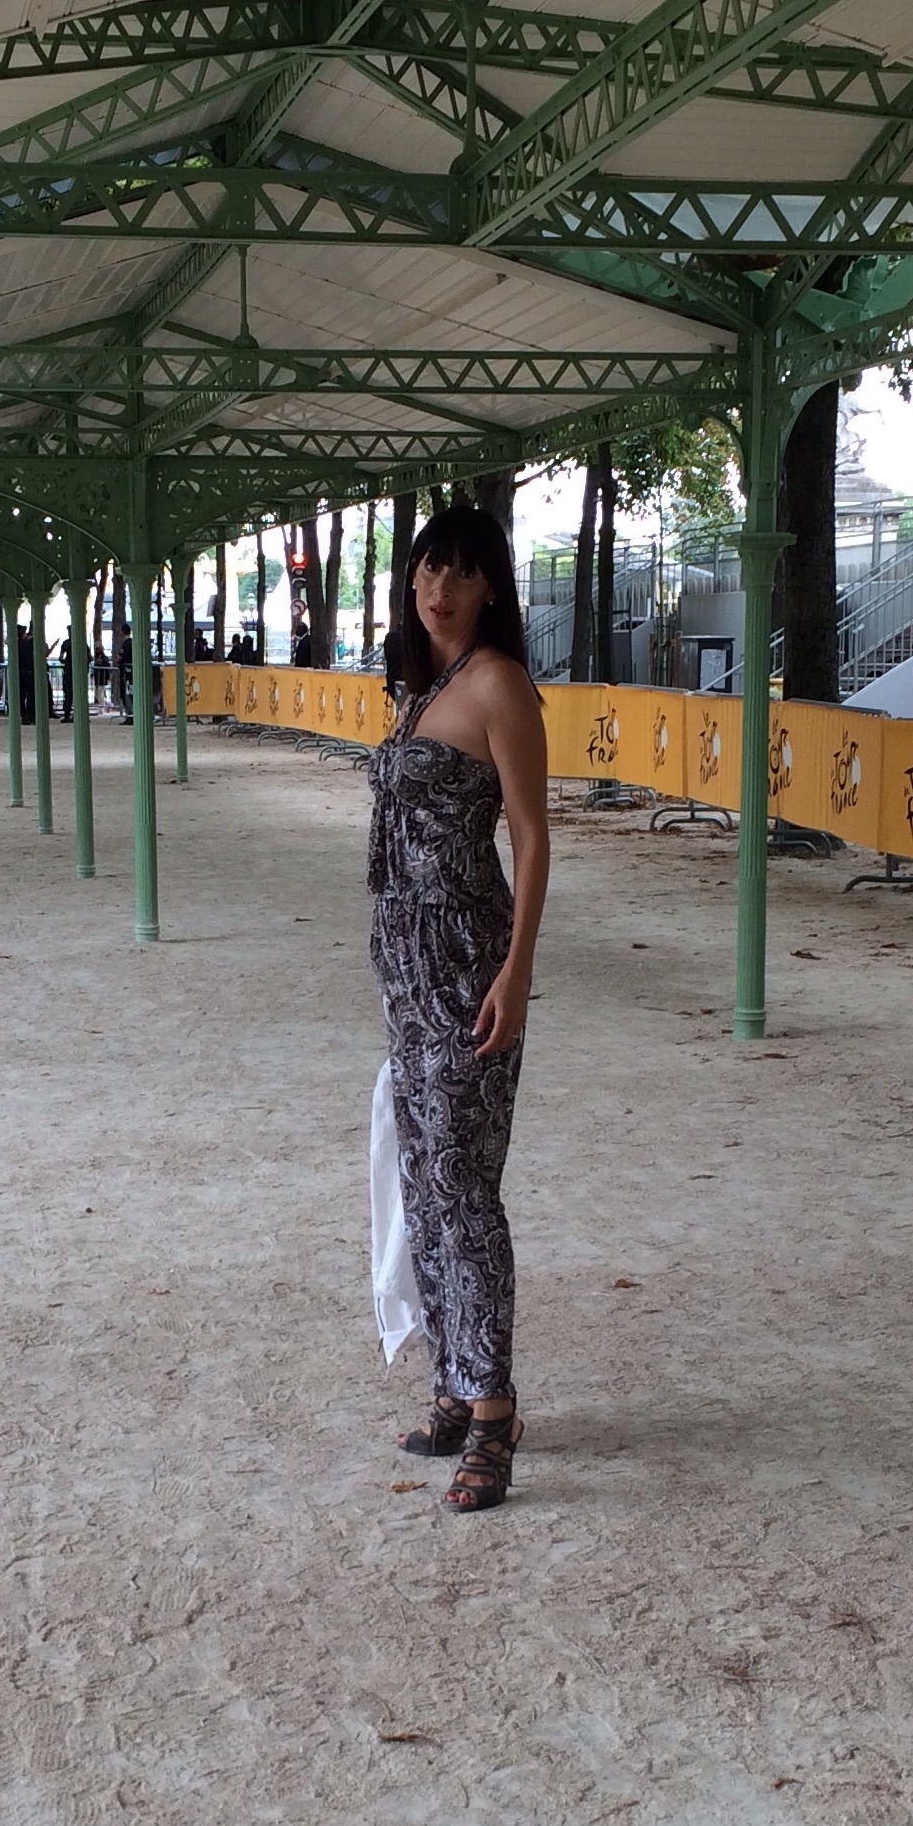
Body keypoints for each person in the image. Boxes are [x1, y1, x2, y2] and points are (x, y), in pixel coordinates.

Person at [367, 501, 549, 1512]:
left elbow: (531, 836)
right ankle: (453, 1380)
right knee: (424, 1183)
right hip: (405, 967)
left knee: (465, 1189)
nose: (441, 586)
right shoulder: (417, 684)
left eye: (463, 571)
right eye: (429, 566)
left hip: (469, 959)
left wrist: (515, 972)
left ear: (489, 588)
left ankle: (494, 1413)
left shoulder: (497, 685)